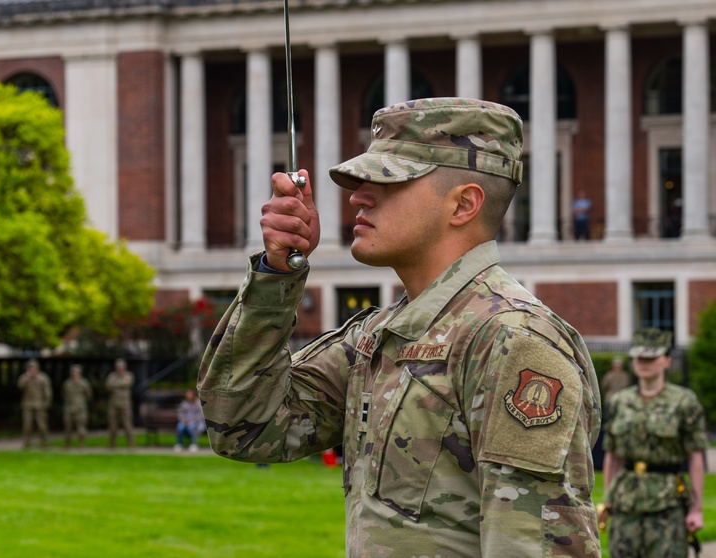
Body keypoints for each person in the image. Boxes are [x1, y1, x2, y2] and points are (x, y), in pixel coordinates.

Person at [198, 98, 602, 556]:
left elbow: (533, 546)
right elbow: (243, 425)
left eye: (390, 181)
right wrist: (277, 273)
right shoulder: (380, 335)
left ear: (464, 204)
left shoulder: (513, 340)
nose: (358, 196)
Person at [600, 328, 706, 557]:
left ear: (667, 360)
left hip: (667, 503)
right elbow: (613, 456)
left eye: (651, 357)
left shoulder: (683, 402)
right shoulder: (620, 401)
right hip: (625, 501)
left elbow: (695, 457)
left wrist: (696, 509)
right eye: (639, 357)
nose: (644, 362)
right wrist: (607, 502)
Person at [17, 359, 52, 449]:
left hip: (40, 405)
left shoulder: (43, 378)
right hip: (27, 404)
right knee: (27, 425)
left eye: (34, 368)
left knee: (42, 425)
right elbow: (20, 386)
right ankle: (26, 444)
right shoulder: (25, 377)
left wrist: (47, 403)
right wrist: (27, 376)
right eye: (30, 368)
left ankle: (45, 443)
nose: (33, 370)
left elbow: (47, 392)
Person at [105, 358, 135, 448]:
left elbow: (127, 383)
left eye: (121, 367)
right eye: (118, 367)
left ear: (124, 367)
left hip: (125, 405)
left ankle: (130, 443)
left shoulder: (129, 375)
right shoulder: (112, 376)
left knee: (127, 425)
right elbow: (108, 386)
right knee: (112, 425)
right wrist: (120, 383)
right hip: (113, 404)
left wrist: (115, 384)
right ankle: (112, 443)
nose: (120, 369)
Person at [62, 363, 93, 448]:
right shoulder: (67, 383)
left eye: (76, 372)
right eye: (73, 372)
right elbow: (64, 394)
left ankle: (81, 443)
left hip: (80, 408)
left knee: (81, 427)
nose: (74, 374)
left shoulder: (84, 383)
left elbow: (89, 395)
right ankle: (67, 443)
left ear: (80, 373)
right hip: (69, 408)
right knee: (68, 427)